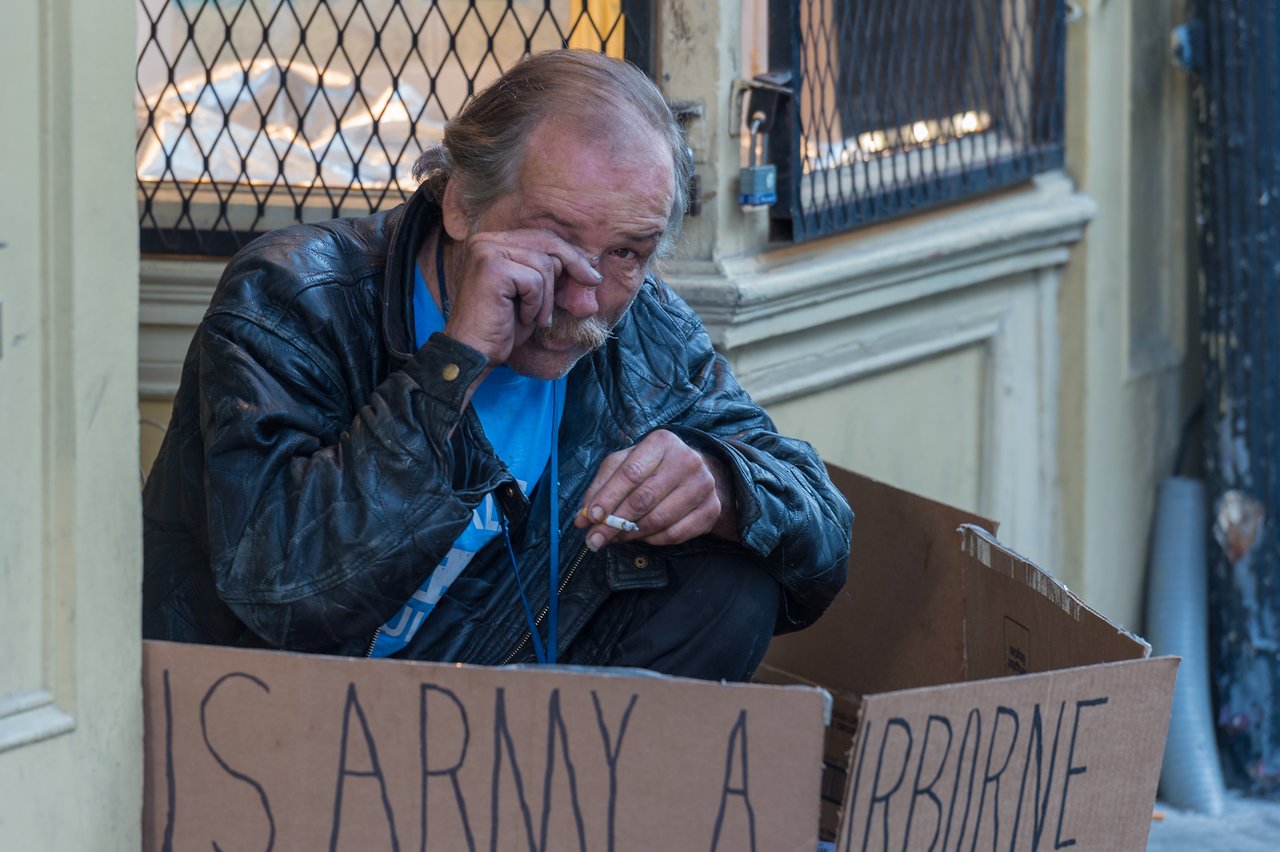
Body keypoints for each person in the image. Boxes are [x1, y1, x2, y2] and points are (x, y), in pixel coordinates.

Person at [142, 49, 852, 681]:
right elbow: (291, 595)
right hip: (277, 714)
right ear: (459, 204)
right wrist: (455, 364)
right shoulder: (294, 298)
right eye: (553, 238)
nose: (584, 297)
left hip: (495, 715)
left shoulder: (636, 318)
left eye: (627, 253)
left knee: (733, 580)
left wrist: (725, 485)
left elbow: (822, 537)